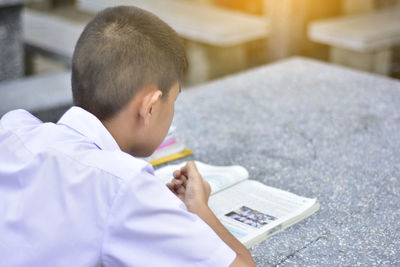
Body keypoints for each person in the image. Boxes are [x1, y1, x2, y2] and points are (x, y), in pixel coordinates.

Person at [0, 6, 255, 267]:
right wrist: (200, 208)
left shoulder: (13, 129)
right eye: (174, 99)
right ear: (151, 107)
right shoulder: (124, 186)